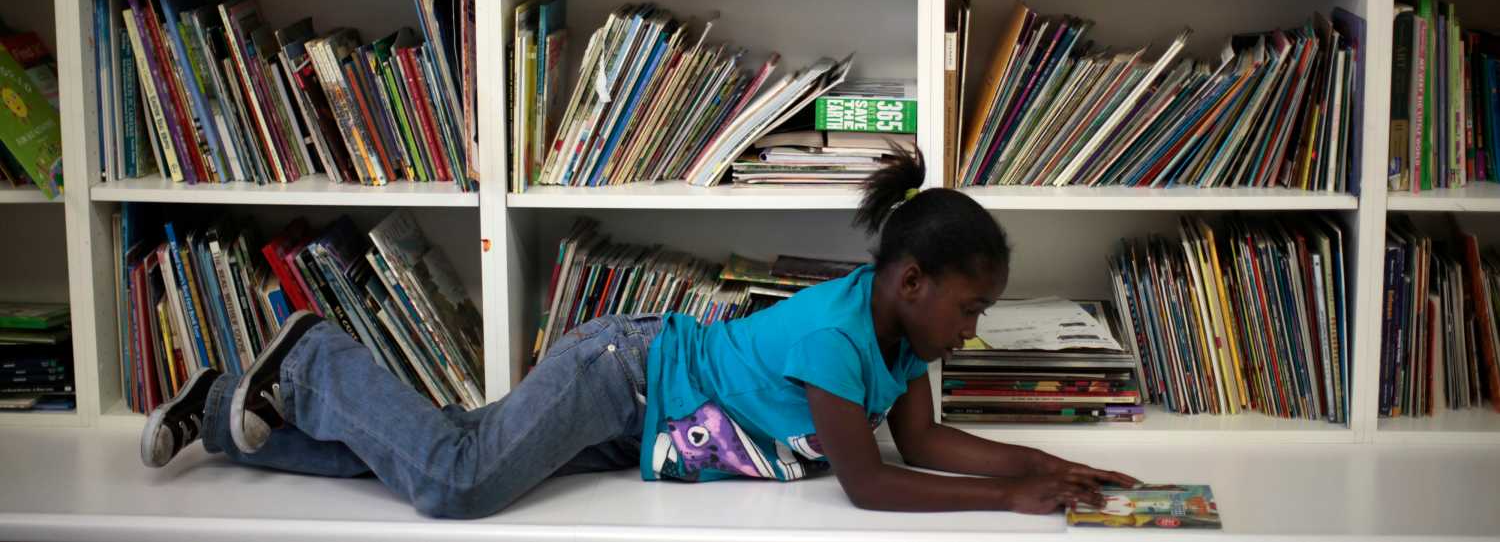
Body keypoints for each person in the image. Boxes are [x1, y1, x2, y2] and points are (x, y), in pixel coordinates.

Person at [140, 147, 1137, 518]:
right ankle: (315, 357)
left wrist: (1050, 463)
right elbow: (872, 484)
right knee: (453, 480)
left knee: (410, 455)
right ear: (911, 280)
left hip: (650, 424)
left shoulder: (907, 338)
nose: (970, 329)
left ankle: (224, 415)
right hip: (624, 377)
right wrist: (1012, 496)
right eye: (968, 306)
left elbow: (923, 439)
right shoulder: (837, 339)